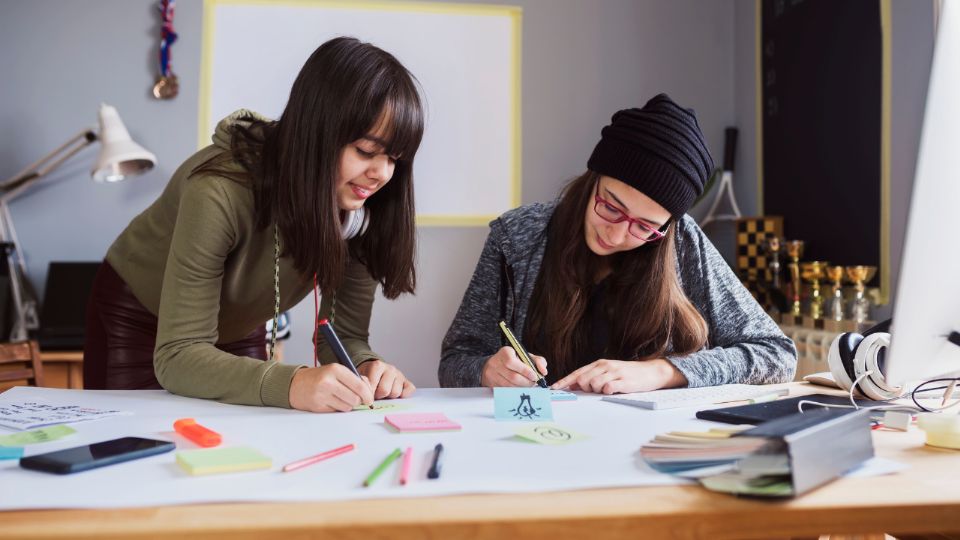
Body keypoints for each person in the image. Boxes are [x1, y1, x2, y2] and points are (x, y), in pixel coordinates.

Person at [84, 37, 422, 412]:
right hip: (141, 316)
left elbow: (342, 336)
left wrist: (366, 365)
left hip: (236, 327)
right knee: (131, 450)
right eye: (365, 151)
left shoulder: (363, 207)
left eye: (394, 158)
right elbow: (178, 354)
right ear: (317, 130)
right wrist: (292, 383)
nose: (381, 174)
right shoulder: (218, 189)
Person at [440, 94, 796, 393]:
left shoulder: (683, 240)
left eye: (644, 227)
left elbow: (778, 355)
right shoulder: (516, 236)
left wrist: (663, 372)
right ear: (593, 177)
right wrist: (487, 370)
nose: (616, 235)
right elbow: (456, 359)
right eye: (611, 207)